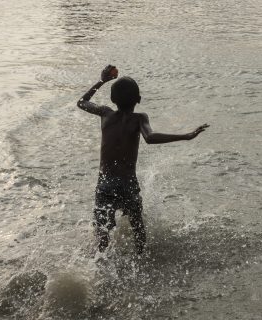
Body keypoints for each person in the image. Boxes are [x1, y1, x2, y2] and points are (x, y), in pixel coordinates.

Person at [77, 65, 209, 253]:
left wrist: (102, 81)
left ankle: (99, 270)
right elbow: (150, 137)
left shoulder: (105, 113)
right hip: (127, 184)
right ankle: (142, 260)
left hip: (105, 184)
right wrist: (185, 136)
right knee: (138, 230)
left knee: (102, 237)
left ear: (112, 99)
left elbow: (82, 102)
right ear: (138, 100)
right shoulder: (139, 118)